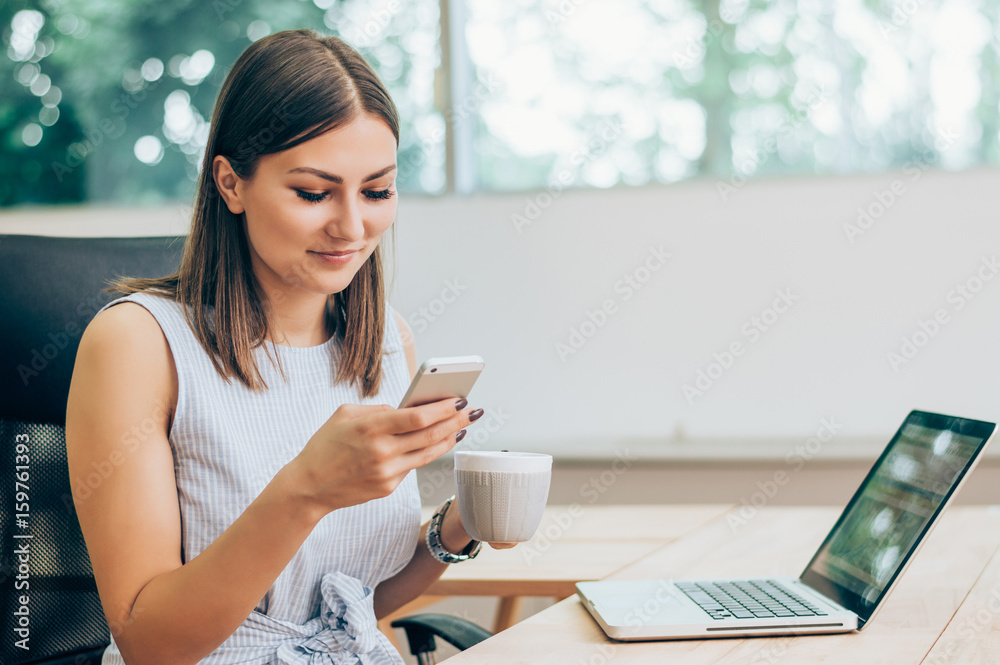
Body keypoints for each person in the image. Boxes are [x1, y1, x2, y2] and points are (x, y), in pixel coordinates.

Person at [66, 28, 512, 665]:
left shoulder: (386, 340)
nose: (352, 227)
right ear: (231, 184)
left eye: (377, 191)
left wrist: (457, 529)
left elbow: (352, 604)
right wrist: (305, 490)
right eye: (313, 193)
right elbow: (151, 644)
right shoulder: (137, 344)